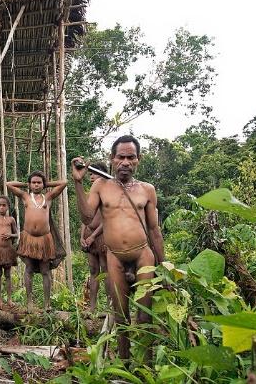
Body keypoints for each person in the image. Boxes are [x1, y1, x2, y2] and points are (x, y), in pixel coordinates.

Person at [72, 134, 165, 360]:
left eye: (130, 157)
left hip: (143, 256)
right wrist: (77, 182)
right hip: (114, 257)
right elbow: (86, 217)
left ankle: (146, 366)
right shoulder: (101, 187)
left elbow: (154, 230)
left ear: (138, 159)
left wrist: (164, 266)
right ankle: (124, 364)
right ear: (112, 159)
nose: (125, 162)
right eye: (120, 157)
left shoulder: (147, 190)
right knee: (120, 314)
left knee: (145, 314)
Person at [6, 172, 68, 311]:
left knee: (45, 270)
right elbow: (9, 184)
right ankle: (29, 303)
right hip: (29, 239)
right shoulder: (25, 197)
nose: (36, 185)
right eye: (33, 182)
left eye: (39, 182)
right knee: (28, 269)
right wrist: (25, 184)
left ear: (43, 184)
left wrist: (47, 183)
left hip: (44, 239)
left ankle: (47, 304)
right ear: (29, 184)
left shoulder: (48, 197)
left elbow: (64, 183)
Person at [79, 162, 109, 313]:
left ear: (103, 175)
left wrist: (94, 236)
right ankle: (92, 307)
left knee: (106, 270)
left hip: (101, 236)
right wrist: (82, 237)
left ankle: (110, 307)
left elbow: (107, 220)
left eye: (95, 173)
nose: (91, 176)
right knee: (93, 270)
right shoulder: (89, 194)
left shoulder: (107, 195)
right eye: (90, 174)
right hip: (88, 237)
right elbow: (84, 219)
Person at [0, 196, 18, 307]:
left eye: (4, 205)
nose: (1, 207)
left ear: (8, 207)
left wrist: (10, 235)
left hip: (8, 250)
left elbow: (17, 234)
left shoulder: (11, 220)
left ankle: (9, 299)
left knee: (8, 274)